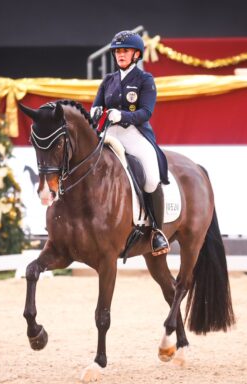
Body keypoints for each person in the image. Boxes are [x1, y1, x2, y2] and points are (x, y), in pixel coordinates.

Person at [91, 30, 170, 256]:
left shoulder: (145, 80)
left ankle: (157, 232)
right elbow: (96, 106)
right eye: (117, 52)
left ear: (136, 54)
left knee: (152, 177)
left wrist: (123, 116)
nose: (120, 55)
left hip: (134, 133)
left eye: (125, 51)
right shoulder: (108, 80)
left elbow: (146, 112)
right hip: (108, 133)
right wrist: (95, 111)